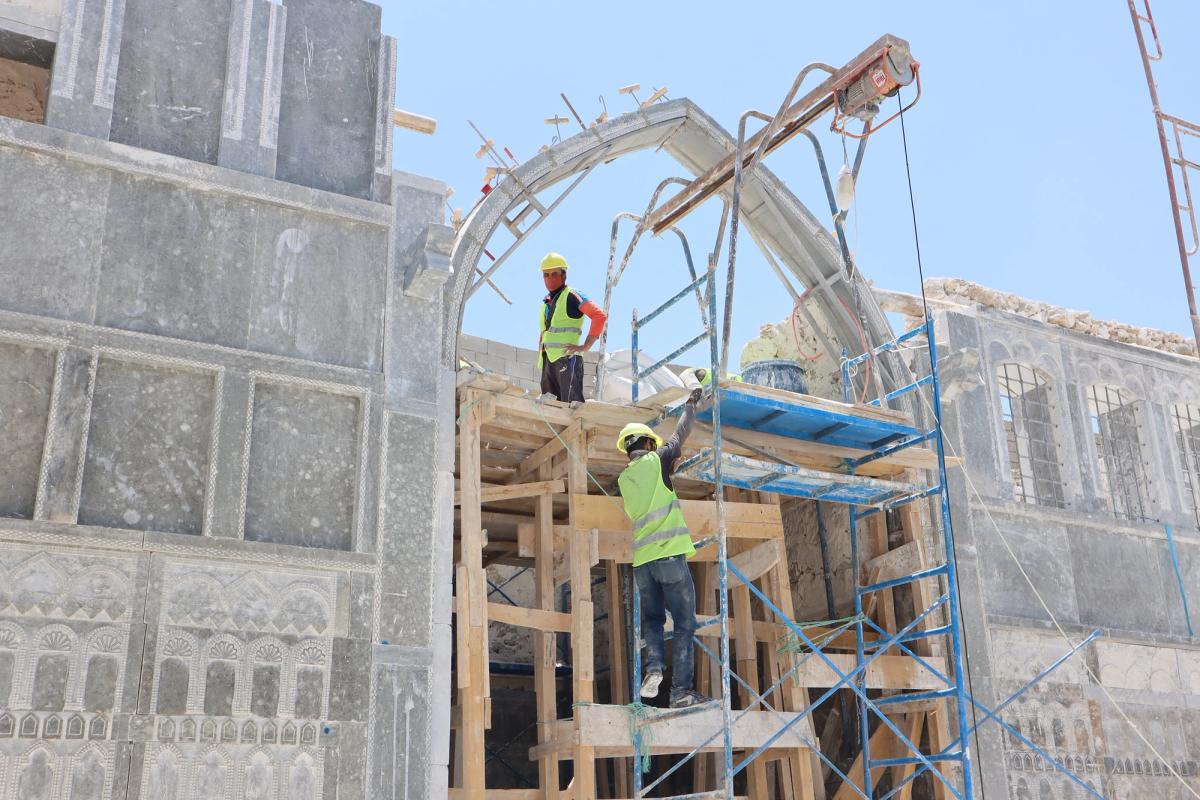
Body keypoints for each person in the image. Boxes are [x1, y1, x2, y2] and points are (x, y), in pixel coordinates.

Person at [616, 388, 711, 709]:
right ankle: (680, 691)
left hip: (643, 563)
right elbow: (680, 434)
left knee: (654, 620)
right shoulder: (657, 460)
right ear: (647, 444)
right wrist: (691, 404)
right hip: (669, 556)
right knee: (684, 624)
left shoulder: (624, 479)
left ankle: (654, 668)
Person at [537, 252, 607, 404]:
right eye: (546, 275)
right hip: (548, 363)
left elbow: (599, 316)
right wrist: (542, 364)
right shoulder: (546, 303)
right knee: (550, 409)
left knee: (571, 408)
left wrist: (585, 346)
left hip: (567, 360)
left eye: (554, 274)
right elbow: (544, 335)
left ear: (564, 275)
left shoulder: (572, 295)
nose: (550, 278)